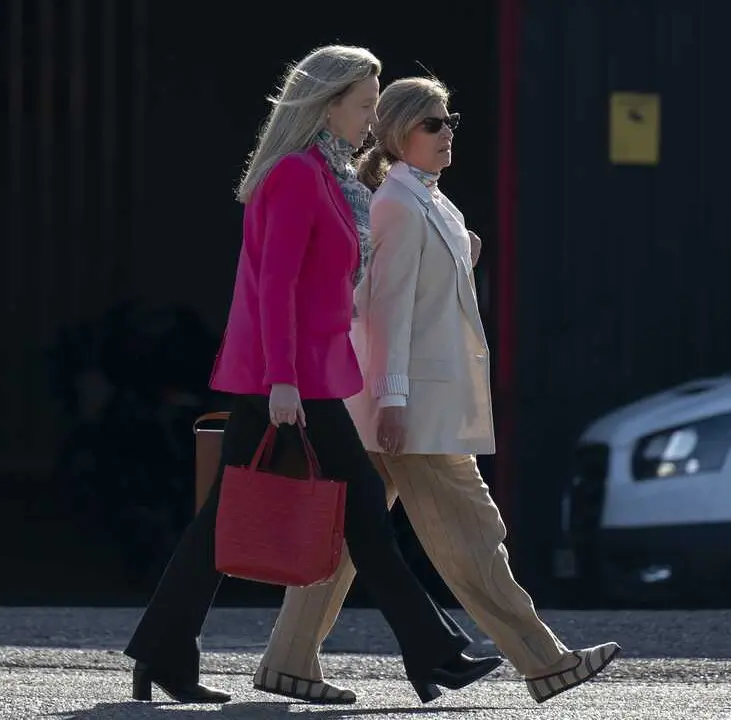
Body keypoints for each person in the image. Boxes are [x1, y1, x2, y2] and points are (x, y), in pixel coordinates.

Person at [122, 48, 502, 706]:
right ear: (327, 106)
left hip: (314, 370)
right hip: (292, 377)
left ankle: (162, 651)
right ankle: (432, 651)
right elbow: (276, 286)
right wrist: (282, 382)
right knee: (362, 515)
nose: (372, 118)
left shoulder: (334, 177)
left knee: (228, 522)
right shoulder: (298, 175)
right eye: (363, 105)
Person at [252, 77, 621, 705]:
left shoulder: (428, 199)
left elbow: (407, 297)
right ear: (398, 134)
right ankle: (543, 661)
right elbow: (388, 310)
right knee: (472, 532)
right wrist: (393, 398)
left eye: (449, 119)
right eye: (431, 123)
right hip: (408, 407)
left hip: (404, 403)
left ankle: (287, 662)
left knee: (343, 537)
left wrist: (462, 258)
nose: (447, 131)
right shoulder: (398, 201)